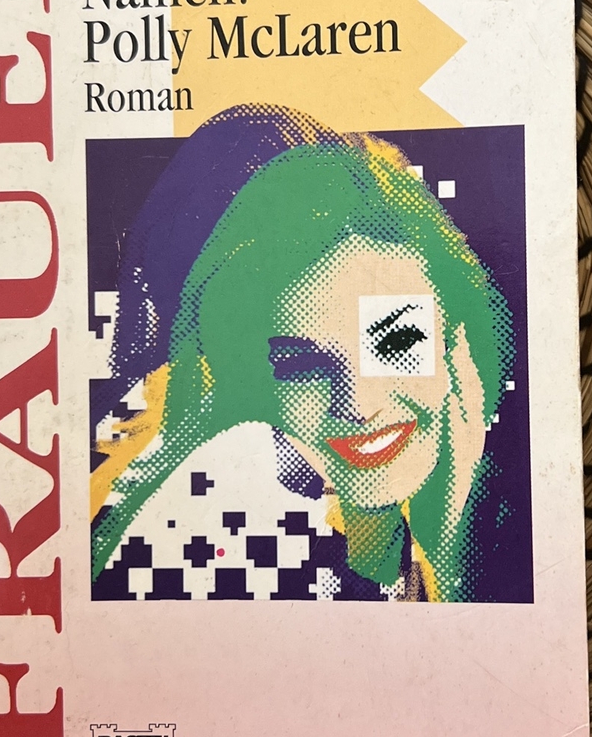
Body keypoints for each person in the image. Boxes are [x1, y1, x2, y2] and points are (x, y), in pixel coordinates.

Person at [91, 104, 514, 602]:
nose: (358, 404)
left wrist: (441, 541)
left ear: (456, 335)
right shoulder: (224, 546)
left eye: (395, 341)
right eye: (300, 364)